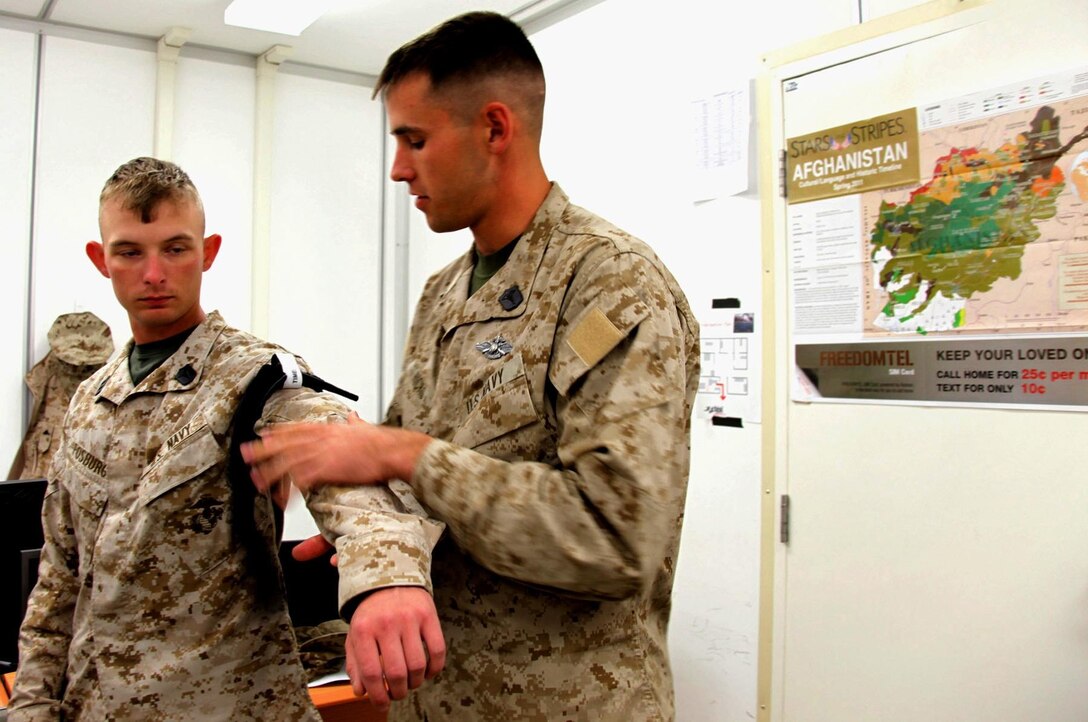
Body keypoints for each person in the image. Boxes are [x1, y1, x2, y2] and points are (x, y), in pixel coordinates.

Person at [242, 11, 700, 721]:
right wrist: (374, 545)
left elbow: (616, 542)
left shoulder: (611, 283)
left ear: (494, 128)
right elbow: (404, 483)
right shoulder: (445, 294)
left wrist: (405, 453)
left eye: (415, 140)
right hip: (441, 700)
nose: (399, 168)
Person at [9, 157, 445, 721]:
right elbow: (58, 579)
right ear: (101, 260)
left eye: (175, 248)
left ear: (208, 252)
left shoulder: (251, 377)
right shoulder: (88, 402)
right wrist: (31, 707)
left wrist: (386, 580)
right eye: (130, 252)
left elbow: (344, 463)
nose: (154, 273)